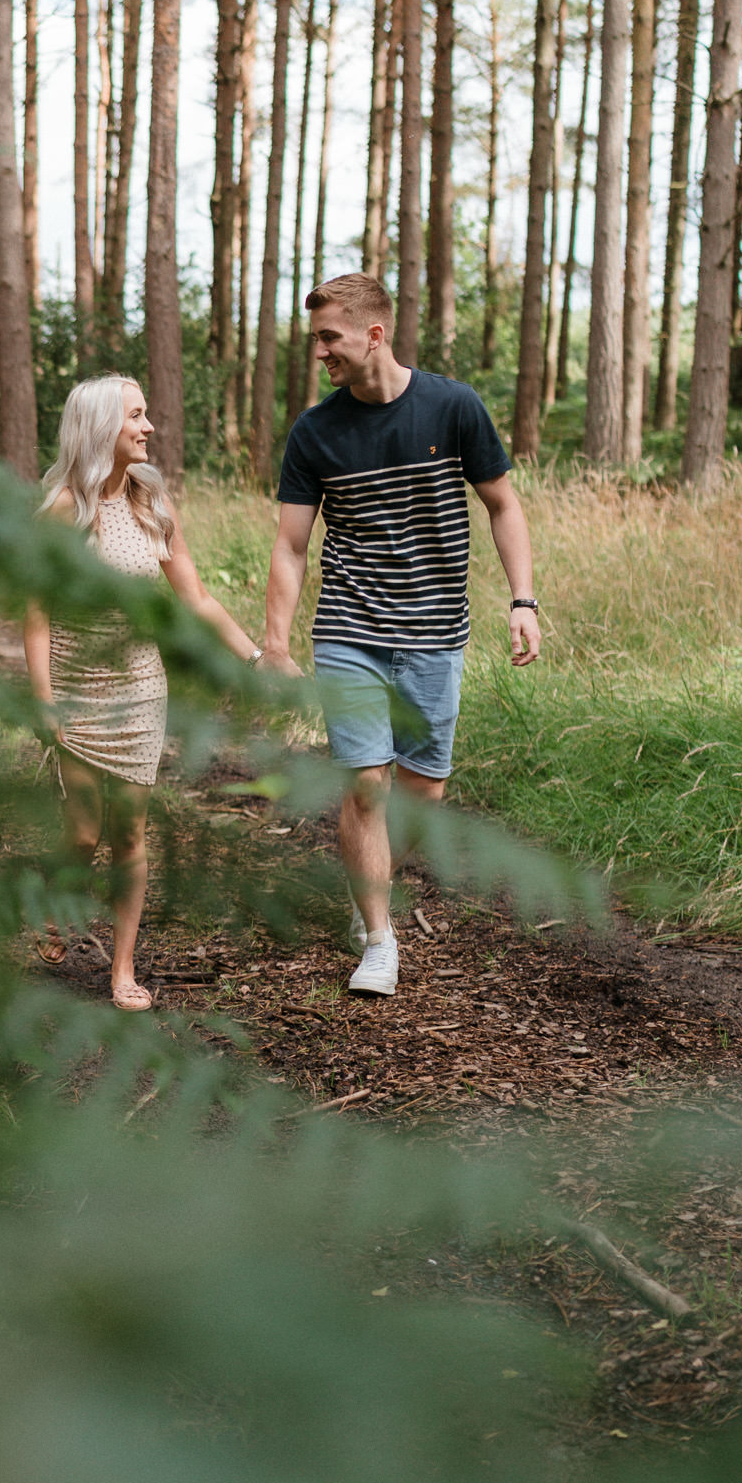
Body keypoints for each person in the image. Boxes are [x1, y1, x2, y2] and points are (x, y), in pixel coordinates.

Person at [256, 273, 540, 1000]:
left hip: (435, 630)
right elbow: (291, 545)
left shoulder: (453, 406)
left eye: (330, 338)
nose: (320, 351)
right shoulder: (314, 431)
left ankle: (369, 888)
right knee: (365, 785)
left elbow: (503, 505)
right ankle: (380, 938)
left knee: (423, 792)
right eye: (317, 339)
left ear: (374, 334)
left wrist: (522, 599)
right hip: (349, 628)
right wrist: (277, 643)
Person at [26, 375, 264, 1012]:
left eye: (146, 414)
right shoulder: (64, 510)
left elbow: (197, 597)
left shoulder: (152, 502)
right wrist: (43, 698)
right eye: (136, 415)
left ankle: (122, 968)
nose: (149, 426)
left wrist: (256, 658)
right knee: (83, 833)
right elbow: (36, 614)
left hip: (139, 688)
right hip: (76, 688)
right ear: (103, 426)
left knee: (130, 834)